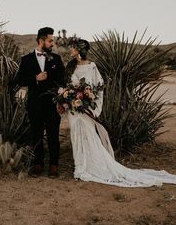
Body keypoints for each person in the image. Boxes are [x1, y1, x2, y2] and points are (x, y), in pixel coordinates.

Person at [59, 37, 176, 187]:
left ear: (80, 50)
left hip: (87, 109)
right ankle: (79, 167)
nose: (71, 50)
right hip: (74, 110)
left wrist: (92, 103)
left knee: (89, 136)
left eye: (73, 47)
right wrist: (67, 98)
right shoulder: (70, 66)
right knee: (76, 135)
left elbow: (99, 88)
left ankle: (90, 166)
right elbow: (66, 85)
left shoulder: (92, 67)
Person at [16, 27, 65, 177]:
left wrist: (61, 102)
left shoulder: (56, 59)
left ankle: (54, 165)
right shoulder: (26, 59)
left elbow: (62, 81)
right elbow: (19, 80)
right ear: (41, 41)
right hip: (34, 104)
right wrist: (35, 79)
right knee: (36, 134)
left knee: (53, 135)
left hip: (52, 104)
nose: (52, 43)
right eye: (50, 41)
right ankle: (38, 163)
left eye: (53, 41)